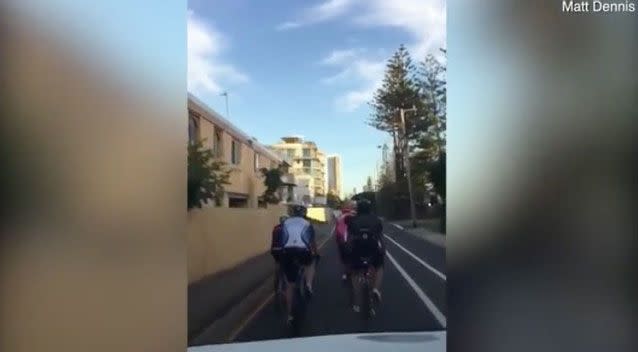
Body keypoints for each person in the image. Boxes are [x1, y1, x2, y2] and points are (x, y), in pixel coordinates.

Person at [280, 204, 318, 324]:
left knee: (290, 285)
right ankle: (308, 284)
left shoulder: (285, 223)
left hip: (288, 252)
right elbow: (312, 242)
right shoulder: (307, 224)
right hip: (303, 251)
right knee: (311, 263)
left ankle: (289, 315)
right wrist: (315, 253)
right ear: (304, 214)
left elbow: (282, 240)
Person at [345, 199, 385, 313]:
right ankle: (376, 289)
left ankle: (357, 303)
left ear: (358, 209)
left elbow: (349, 239)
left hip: (357, 250)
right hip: (372, 249)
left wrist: (348, 250)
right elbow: (380, 238)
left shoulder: (353, 220)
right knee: (379, 267)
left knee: (354, 273)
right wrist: (383, 250)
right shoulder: (376, 220)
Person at [334, 200, 356, 281]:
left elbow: (337, 230)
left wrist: (337, 240)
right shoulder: (355, 215)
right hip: (354, 239)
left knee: (345, 258)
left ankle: (347, 272)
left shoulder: (340, 216)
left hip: (342, 240)